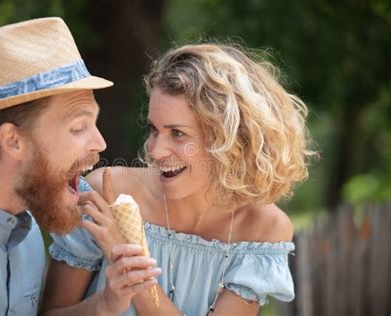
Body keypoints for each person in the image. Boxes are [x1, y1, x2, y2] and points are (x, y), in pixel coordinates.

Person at [42, 42, 315, 316]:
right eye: (154, 129)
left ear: (230, 139)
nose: (156, 150)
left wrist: (128, 258)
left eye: (178, 133)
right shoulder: (105, 193)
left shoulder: (263, 229)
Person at [0, 17, 159, 315]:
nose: (100, 143)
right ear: (13, 140)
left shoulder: (24, 226)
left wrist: (106, 304)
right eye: (78, 127)